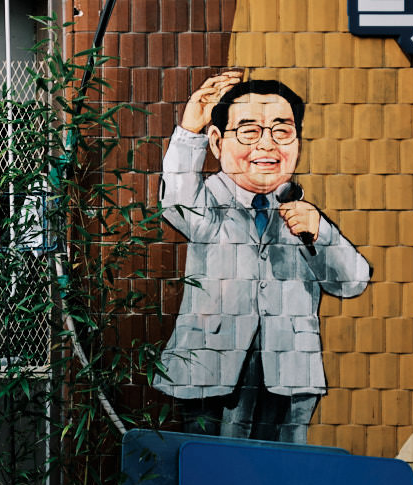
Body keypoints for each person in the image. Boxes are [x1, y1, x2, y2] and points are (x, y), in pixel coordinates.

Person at [154, 72, 372, 443]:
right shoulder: (206, 206)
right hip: (212, 372)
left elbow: (352, 282)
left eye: (282, 131)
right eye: (250, 131)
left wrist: (322, 234)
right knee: (215, 474)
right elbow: (176, 199)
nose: (267, 146)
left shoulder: (302, 213)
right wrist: (189, 131)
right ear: (218, 143)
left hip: (289, 374)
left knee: (280, 478)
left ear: (298, 143)